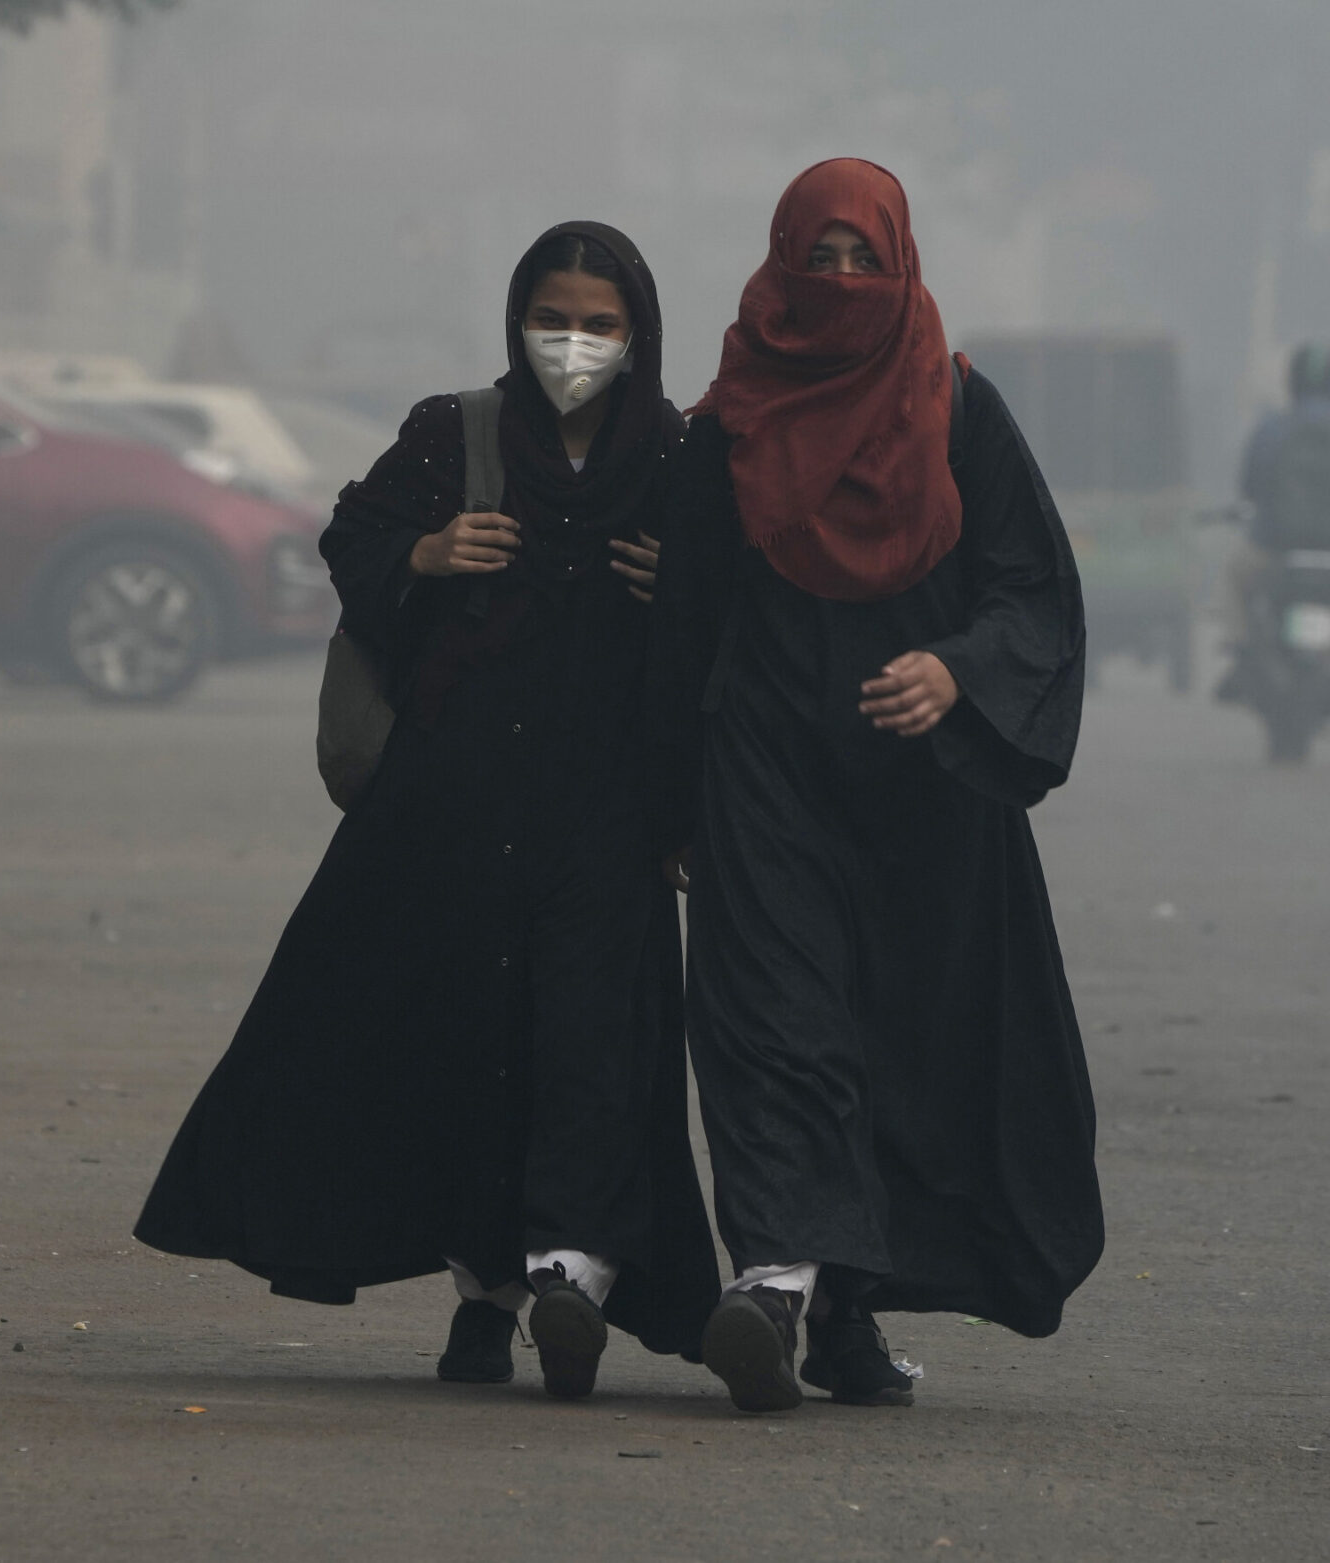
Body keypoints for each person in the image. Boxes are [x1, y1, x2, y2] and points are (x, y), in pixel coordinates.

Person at [135, 223, 717, 1399]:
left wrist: (686, 591)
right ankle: (481, 1303)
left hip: (604, 817)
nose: (573, 343)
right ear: (516, 320)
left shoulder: (671, 454)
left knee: (591, 1055)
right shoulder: (456, 433)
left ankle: (568, 1280)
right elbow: (351, 538)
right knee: (462, 1054)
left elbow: (731, 612)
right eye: (552, 317)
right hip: (452, 808)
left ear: (638, 333)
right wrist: (431, 550)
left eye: (600, 324)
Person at [649, 158, 1102, 1414]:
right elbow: (680, 626)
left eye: (862, 258)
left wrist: (959, 674)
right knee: (775, 1023)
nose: (838, 283)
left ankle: (844, 1320)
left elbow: (1033, 587)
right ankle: (778, 1280)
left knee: (907, 1049)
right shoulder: (726, 424)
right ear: (779, 260)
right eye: (818, 257)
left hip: (927, 795)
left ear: (899, 263)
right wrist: (669, 808)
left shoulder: (959, 410)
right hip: (764, 769)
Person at [1216, 343, 1330, 711]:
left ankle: (1242, 655)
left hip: (1271, 550)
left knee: (1231, 577)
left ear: (1292, 382)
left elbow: (1249, 487)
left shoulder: (1270, 429)